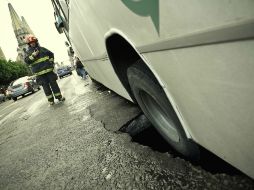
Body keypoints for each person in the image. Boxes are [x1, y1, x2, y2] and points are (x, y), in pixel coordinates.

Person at [24, 34, 65, 105]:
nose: (32, 43)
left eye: (33, 42)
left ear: (36, 42)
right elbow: (27, 61)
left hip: (49, 71)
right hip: (39, 74)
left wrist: (51, 62)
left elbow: (51, 54)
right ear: (29, 44)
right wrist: (33, 55)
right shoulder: (27, 53)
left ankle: (59, 97)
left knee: (54, 85)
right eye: (31, 43)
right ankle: (51, 100)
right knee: (46, 87)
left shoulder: (42, 49)